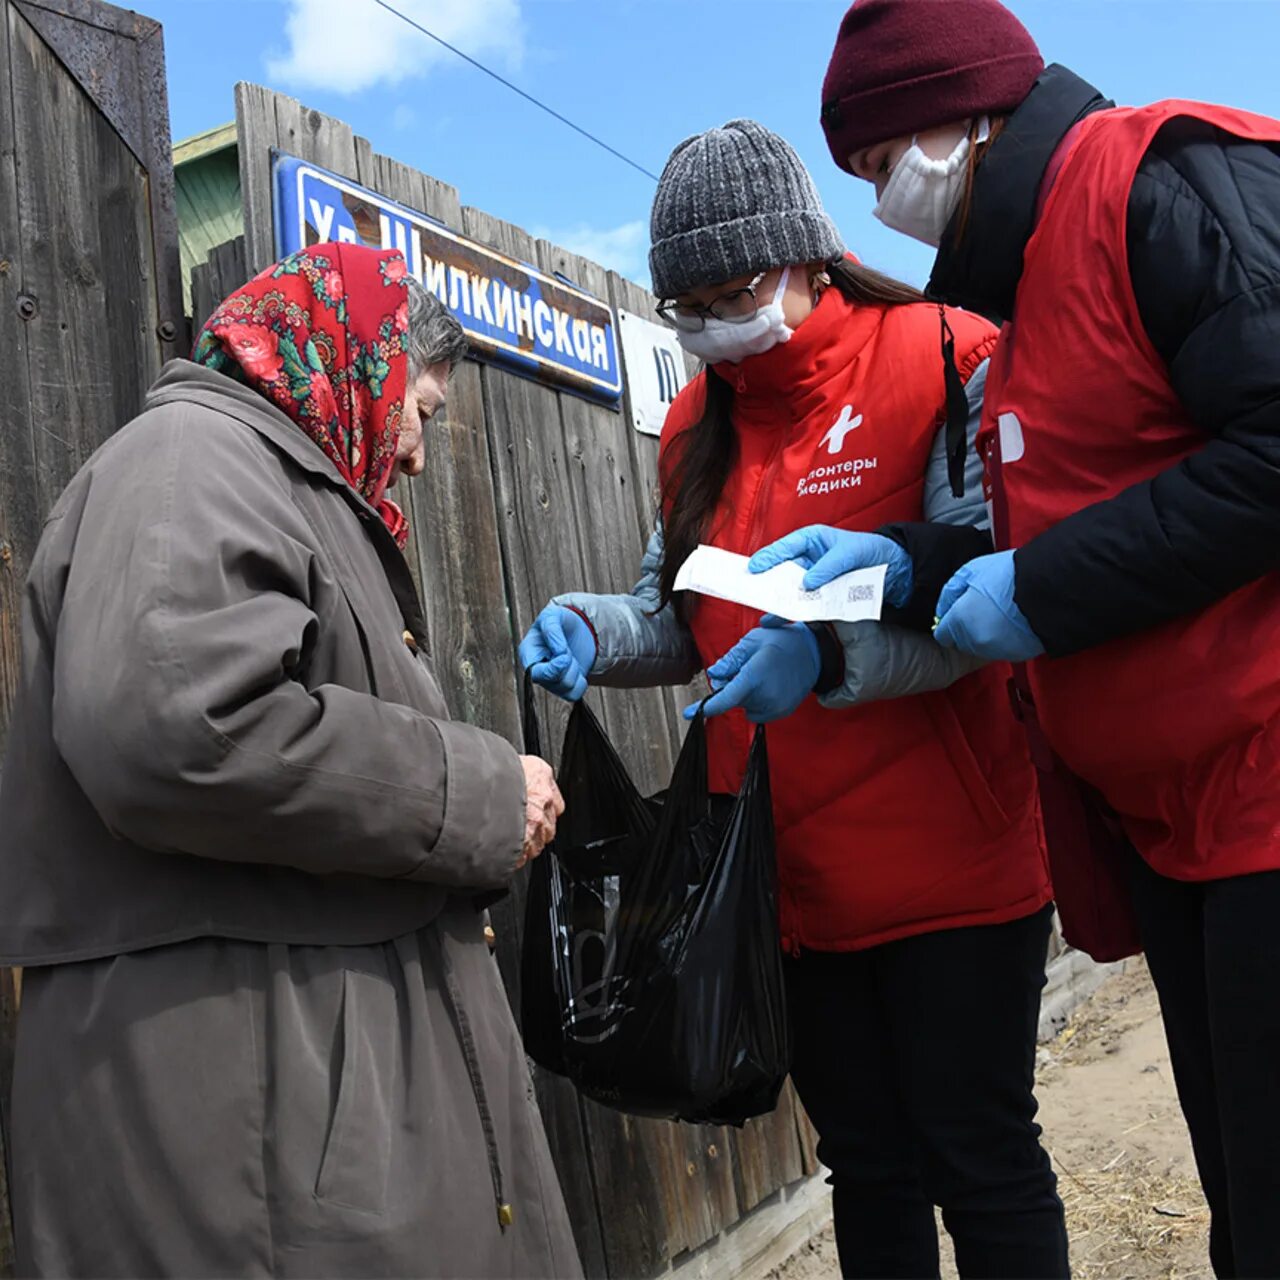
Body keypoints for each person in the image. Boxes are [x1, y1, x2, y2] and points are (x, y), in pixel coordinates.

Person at [521, 120, 1069, 1280]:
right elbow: (673, 614)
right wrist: (593, 630)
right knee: (865, 1166)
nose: (716, 320)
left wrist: (823, 660)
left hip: (953, 863)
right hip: (783, 880)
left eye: (734, 289)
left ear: (806, 257)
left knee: (978, 1153)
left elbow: (985, 600)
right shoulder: (692, 424)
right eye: (690, 304)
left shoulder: (938, 354)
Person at [0, 243, 582, 1279]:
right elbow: (179, 726)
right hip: (244, 1116)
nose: (412, 452)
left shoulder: (277, 483)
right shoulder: (189, 456)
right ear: (357, 357)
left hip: (284, 1086)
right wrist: (484, 788)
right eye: (421, 410)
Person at [809, 1, 1280, 1274]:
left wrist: (1045, 590)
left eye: (878, 163)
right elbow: (1092, 517)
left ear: (967, 113)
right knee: (1240, 1188)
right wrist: (906, 563)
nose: (876, 202)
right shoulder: (1017, 299)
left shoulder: (1159, 183)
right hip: (1178, 824)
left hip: (1263, 792)